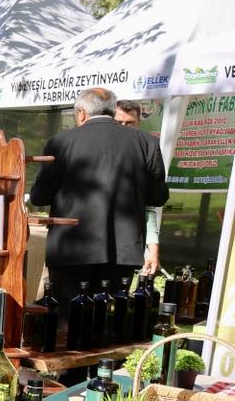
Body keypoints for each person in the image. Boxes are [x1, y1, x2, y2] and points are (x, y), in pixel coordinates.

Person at [29, 87, 169, 313]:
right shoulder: (147, 144)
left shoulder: (61, 142)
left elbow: (40, 196)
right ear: (113, 111)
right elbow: (157, 197)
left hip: (71, 247)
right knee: (104, 322)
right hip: (122, 252)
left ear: (81, 113)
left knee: (66, 323)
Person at [115, 98, 163, 276]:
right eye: (119, 122)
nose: (124, 127)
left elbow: (148, 206)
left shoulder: (146, 150)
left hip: (125, 247)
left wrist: (152, 247)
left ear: (138, 123)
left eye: (130, 123)